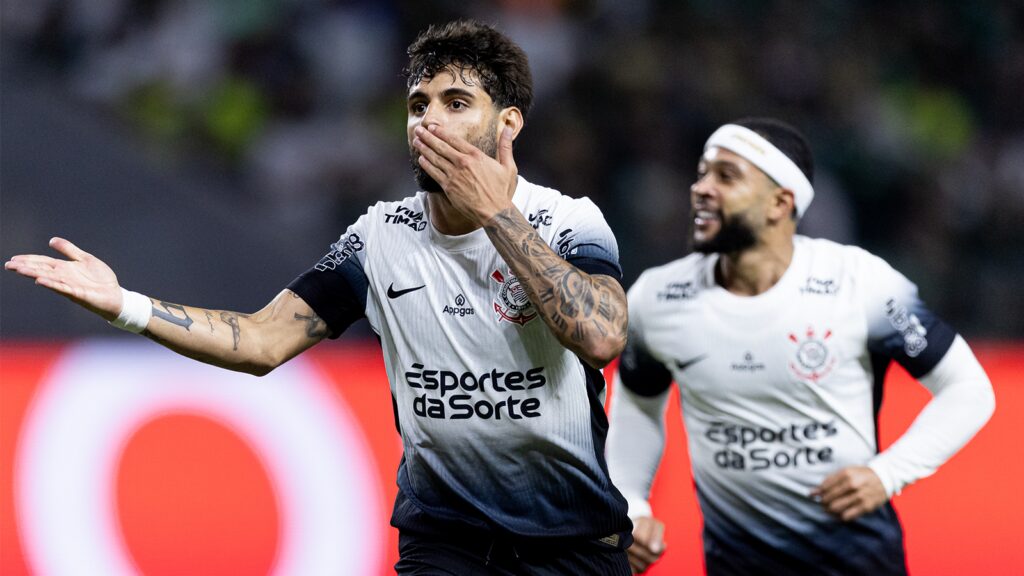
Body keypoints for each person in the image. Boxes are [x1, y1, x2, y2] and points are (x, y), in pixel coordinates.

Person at [6, 20, 635, 575]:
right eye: (418, 104)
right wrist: (126, 304)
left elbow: (601, 336)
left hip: (574, 545)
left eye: (455, 102)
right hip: (447, 545)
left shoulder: (567, 222)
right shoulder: (379, 236)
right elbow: (261, 340)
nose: (429, 121)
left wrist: (498, 213)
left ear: (507, 122)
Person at [605, 118, 995, 575]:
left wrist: (889, 473)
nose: (701, 189)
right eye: (702, 172)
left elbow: (968, 389)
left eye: (726, 176)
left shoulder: (859, 282)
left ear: (779, 203)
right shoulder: (658, 296)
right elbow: (637, 408)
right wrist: (632, 504)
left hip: (860, 562)